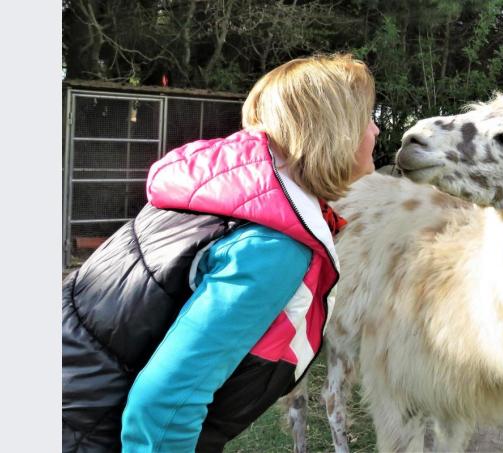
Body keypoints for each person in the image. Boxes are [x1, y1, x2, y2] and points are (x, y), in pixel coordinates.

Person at [62, 54, 379, 453]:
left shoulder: (220, 201)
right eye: (365, 117)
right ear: (333, 131)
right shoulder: (271, 247)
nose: (375, 128)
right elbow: (164, 406)